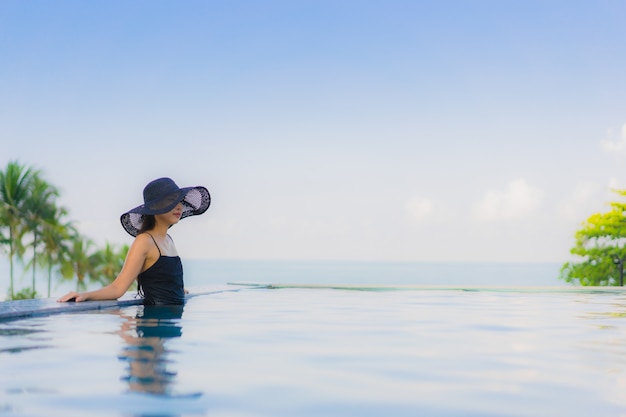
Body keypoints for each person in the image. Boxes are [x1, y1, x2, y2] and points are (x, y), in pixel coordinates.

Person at [58, 177, 210, 305]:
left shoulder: (168, 239)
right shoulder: (144, 241)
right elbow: (118, 287)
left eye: (179, 201)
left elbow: (162, 277)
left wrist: (177, 288)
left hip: (172, 327)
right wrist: (85, 295)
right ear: (155, 207)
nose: (179, 206)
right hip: (154, 328)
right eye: (171, 201)